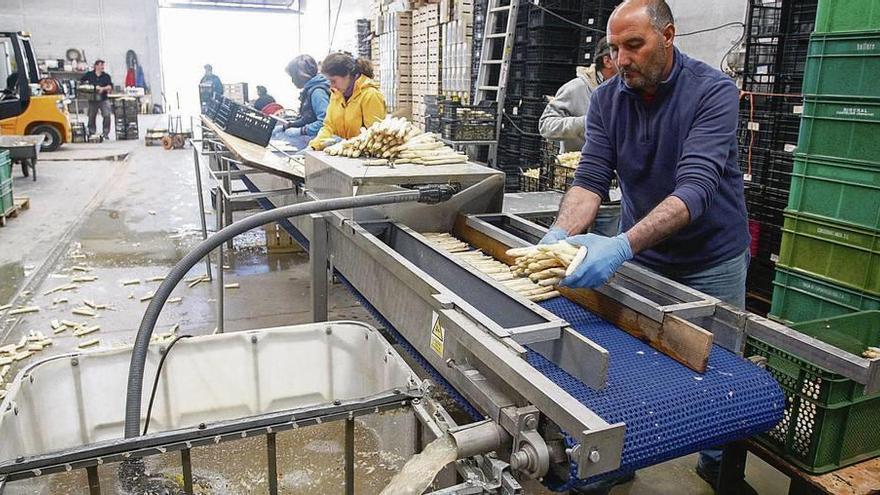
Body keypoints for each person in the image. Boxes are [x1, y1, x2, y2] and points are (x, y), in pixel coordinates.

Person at [542, 2, 751, 492]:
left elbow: (696, 189)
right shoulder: (610, 99)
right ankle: (622, 455)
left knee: (717, 371)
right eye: (615, 48)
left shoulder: (712, 92)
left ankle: (717, 464)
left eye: (633, 45)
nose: (622, 59)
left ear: (668, 36)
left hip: (710, 258)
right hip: (644, 254)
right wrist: (559, 235)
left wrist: (620, 246)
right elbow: (591, 178)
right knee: (635, 362)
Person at [539, 37, 617, 153]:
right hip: (579, 167)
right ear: (607, 61)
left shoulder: (627, 89)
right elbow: (546, 126)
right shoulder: (576, 88)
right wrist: (585, 123)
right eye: (620, 54)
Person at [308, 52, 386, 150]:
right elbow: (329, 127)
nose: (332, 86)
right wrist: (314, 146)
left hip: (364, 158)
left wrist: (347, 144)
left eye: (334, 81)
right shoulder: (337, 94)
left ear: (348, 75)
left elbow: (375, 136)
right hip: (341, 154)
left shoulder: (370, 95)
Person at [271, 55, 331, 149]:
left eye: (292, 76)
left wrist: (302, 131)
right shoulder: (309, 90)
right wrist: (287, 126)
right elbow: (307, 118)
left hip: (318, 141)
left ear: (300, 75)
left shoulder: (317, 92)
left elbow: (325, 122)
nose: (292, 81)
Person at [79, 60, 113, 139]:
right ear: (96, 66)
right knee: (91, 116)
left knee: (107, 115)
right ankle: (92, 132)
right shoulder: (89, 75)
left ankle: (105, 133)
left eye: (103, 65)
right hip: (92, 99)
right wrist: (90, 88)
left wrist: (102, 88)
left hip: (103, 98)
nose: (102, 67)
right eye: (101, 65)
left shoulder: (106, 76)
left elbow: (110, 86)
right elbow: (81, 82)